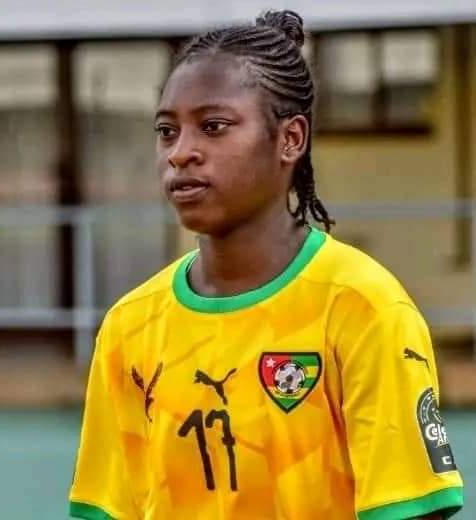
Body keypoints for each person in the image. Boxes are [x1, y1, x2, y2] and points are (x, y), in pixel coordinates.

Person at [69, 10, 464, 520]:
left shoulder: (362, 307)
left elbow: (412, 510)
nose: (181, 153)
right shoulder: (129, 326)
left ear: (290, 139)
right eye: (167, 131)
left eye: (213, 127)